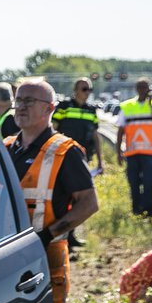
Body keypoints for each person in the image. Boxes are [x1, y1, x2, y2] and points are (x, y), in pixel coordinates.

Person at [4, 77, 99, 303]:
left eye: (31, 100)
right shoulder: (4, 150)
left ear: (50, 109)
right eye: (19, 99)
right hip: (1, 261)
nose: (22, 105)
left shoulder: (64, 151)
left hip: (45, 260)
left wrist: (46, 235)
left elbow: (89, 203)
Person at [53, 77, 101, 248]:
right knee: (62, 197)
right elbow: (53, 128)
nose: (87, 93)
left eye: (89, 89)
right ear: (75, 90)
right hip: (63, 158)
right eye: (84, 89)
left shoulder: (91, 110)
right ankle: (61, 234)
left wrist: (101, 161)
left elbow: (95, 135)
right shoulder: (64, 107)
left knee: (78, 200)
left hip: (83, 159)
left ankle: (70, 235)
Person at [117, 77, 152, 217]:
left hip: (149, 152)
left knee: (148, 183)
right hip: (132, 153)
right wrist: (118, 152)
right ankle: (136, 210)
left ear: (149, 89)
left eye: (146, 88)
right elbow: (120, 130)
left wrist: (151, 107)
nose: (143, 91)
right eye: (141, 88)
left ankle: (148, 212)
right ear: (137, 89)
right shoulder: (127, 106)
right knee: (133, 183)